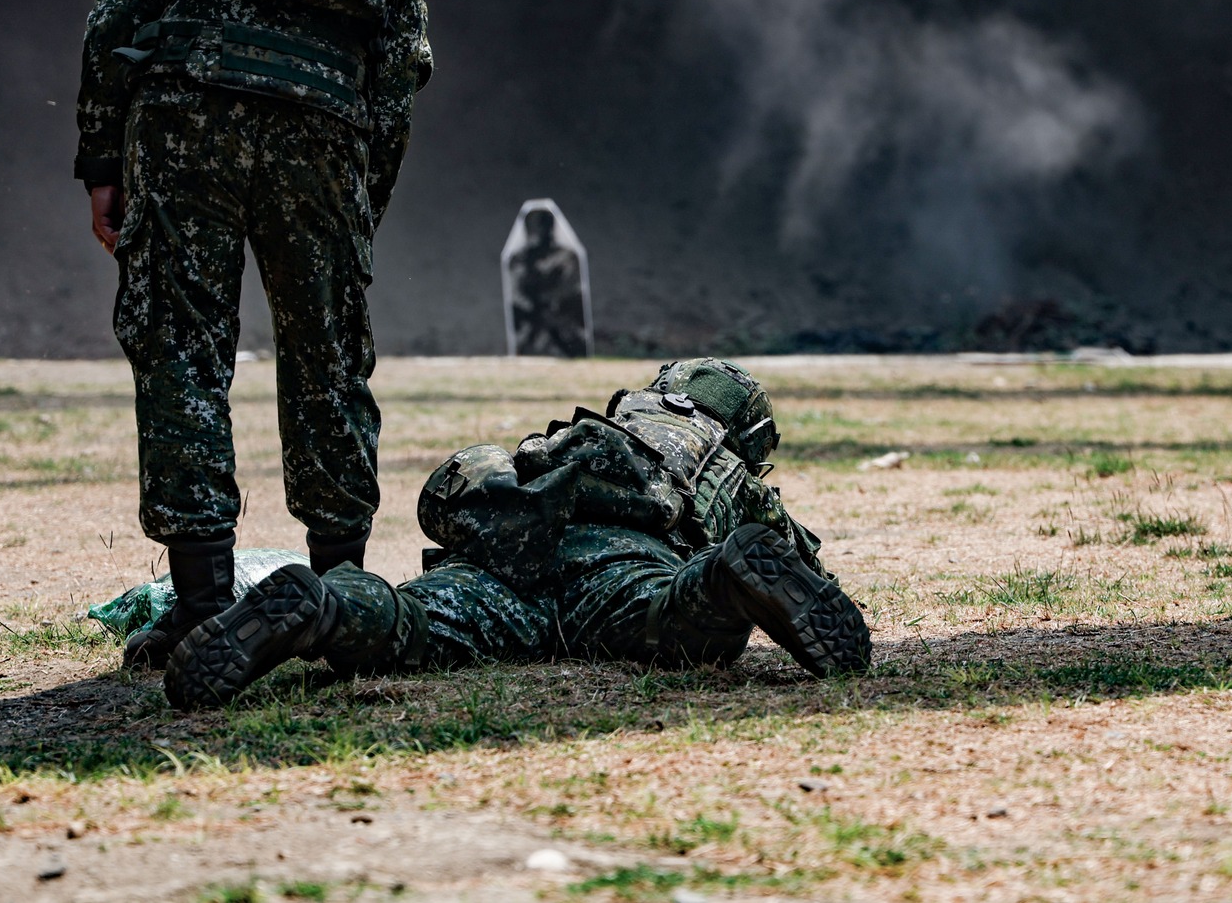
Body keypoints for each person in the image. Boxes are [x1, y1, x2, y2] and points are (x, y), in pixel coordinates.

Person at [73, 0, 431, 670]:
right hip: (323, 146)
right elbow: (395, 87)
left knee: (183, 348)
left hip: (187, 125)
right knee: (328, 355)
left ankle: (199, 604)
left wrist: (102, 164)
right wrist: (359, 211)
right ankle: (342, 593)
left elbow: (116, 21)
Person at [162, 358, 872, 708]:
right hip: (622, 569)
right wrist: (754, 555)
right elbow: (805, 568)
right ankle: (725, 575)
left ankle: (324, 604)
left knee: (409, 621)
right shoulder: (727, 470)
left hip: (511, 555)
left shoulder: (595, 430)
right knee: (685, 619)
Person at [503, 199, 590, 358]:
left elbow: (572, 284)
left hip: (558, 309)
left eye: (546, 225)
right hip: (532, 309)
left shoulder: (566, 256)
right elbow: (517, 286)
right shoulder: (522, 258)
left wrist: (554, 301)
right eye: (539, 226)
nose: (543, 231)